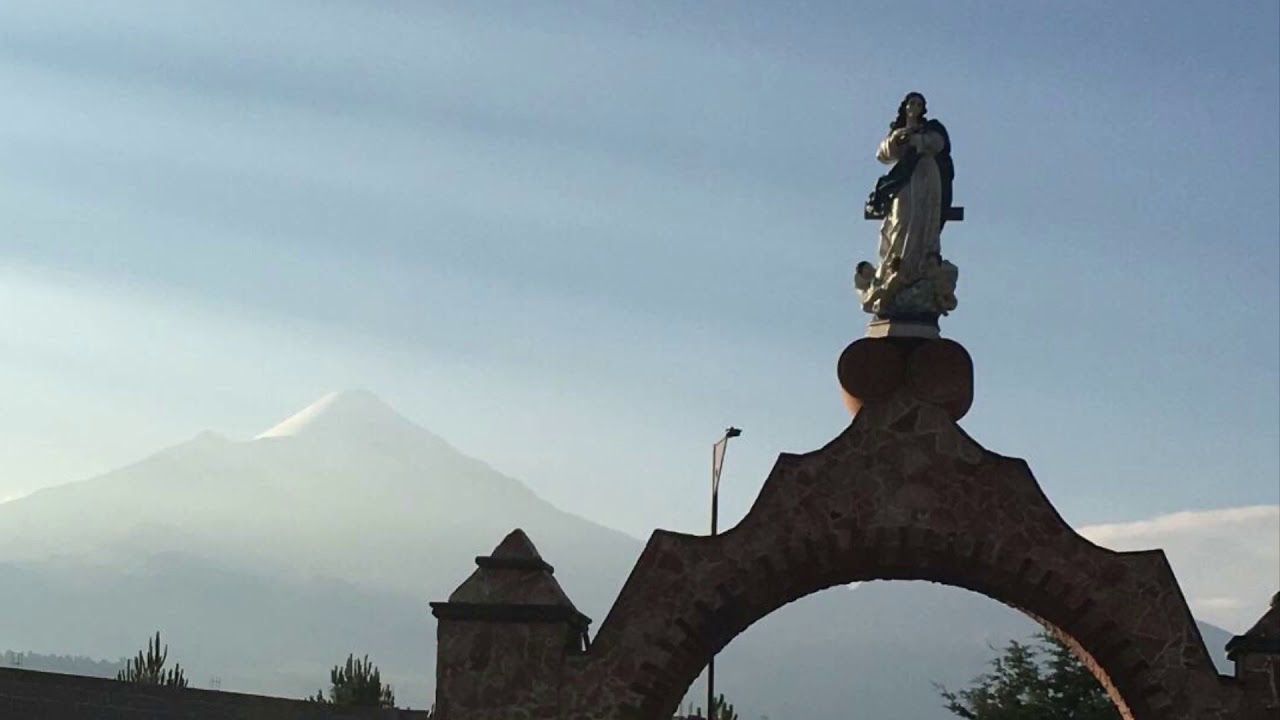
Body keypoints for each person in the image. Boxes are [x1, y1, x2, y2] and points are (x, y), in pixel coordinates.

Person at [860, 92, 956, 315]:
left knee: (924, 220)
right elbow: (883, 154)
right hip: (904, 179)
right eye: (911, 103)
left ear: (923, 109)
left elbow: (939, 143)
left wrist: (919, 140)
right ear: (905, 107)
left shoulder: (931, 128)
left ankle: (921, 268)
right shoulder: (898, 131)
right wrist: (897, 140)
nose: (915, 107)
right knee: (901, 220)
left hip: (925, 175)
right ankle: (896, 267)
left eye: (919, 104)